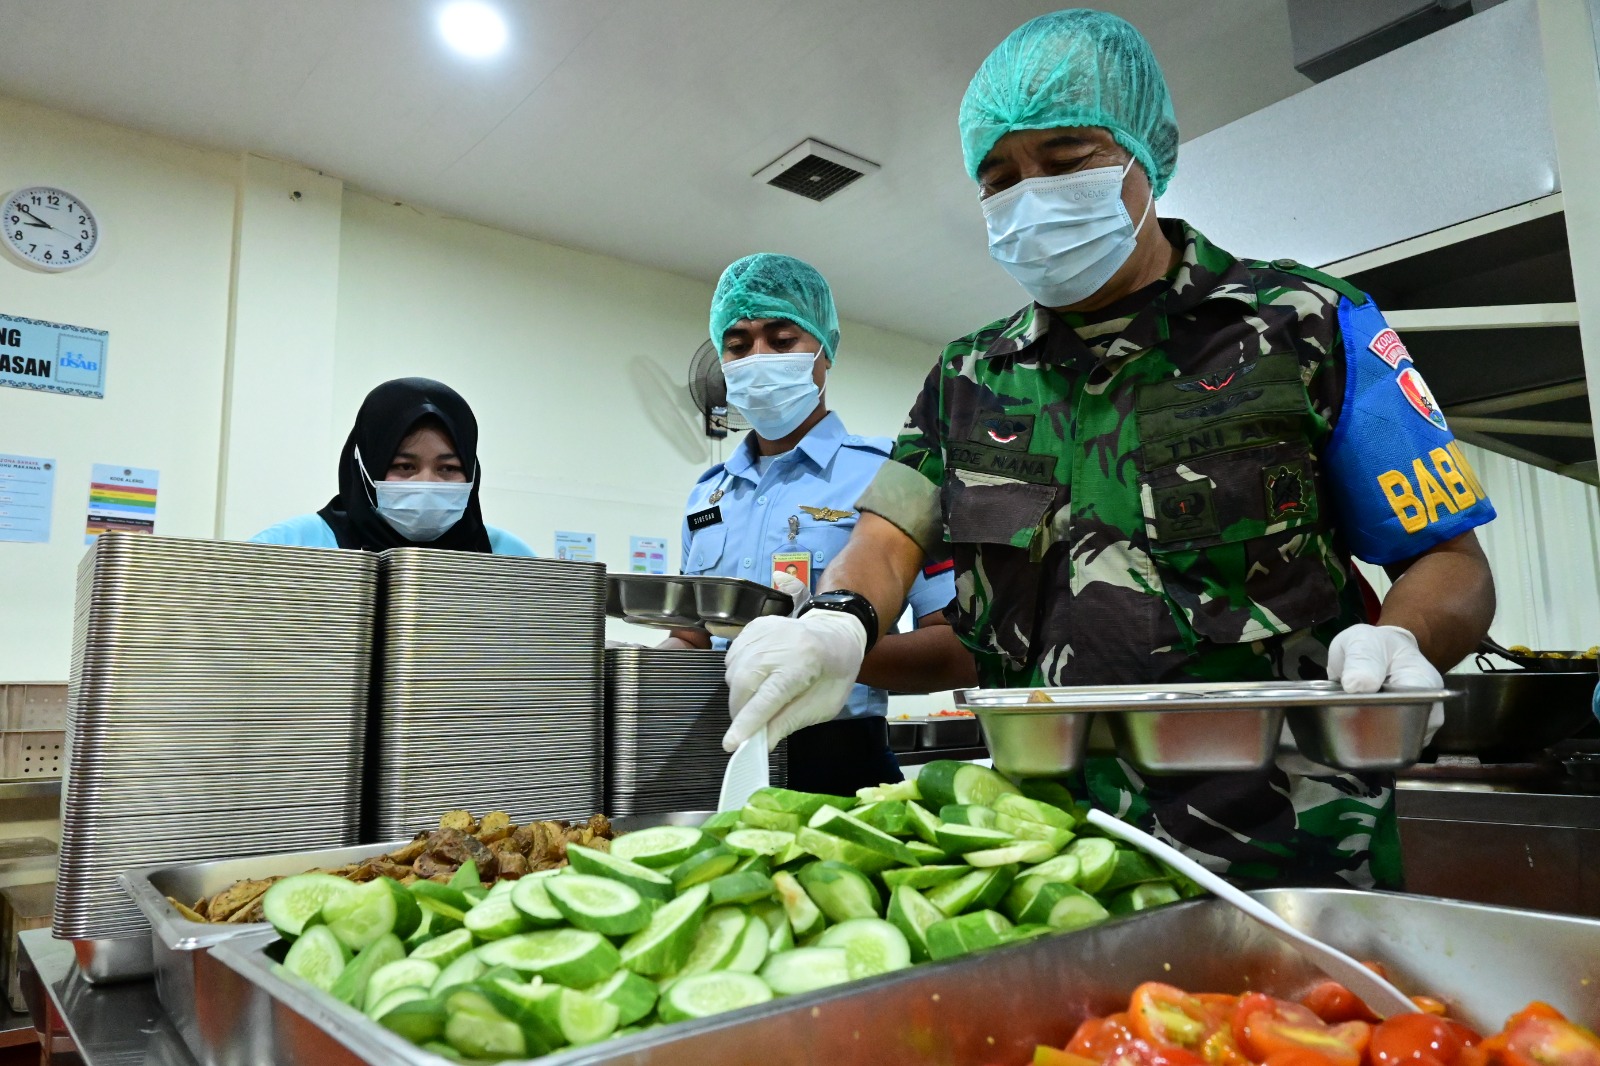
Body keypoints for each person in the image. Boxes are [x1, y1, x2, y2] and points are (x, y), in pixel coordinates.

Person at [723, 10, 1497, 888]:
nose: (1030, 194)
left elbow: (1453, 563)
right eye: (999, 177)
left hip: (1288, 850)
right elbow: (888, 536)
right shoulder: (969, 375)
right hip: (1041, 856)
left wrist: (1404, 639)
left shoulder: (1306, 325)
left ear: (1143, 158)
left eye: (1064, 160)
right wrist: (838, 622)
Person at [668, 253, 972, 795]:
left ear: (825, 352)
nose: (757, 357)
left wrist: (831, 651)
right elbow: (692, 637)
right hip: (716, 753)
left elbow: (956, 650)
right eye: (737, 346)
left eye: (782, 341)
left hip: (840, 754)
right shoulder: (706, 494)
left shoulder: (893, 474)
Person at [252, 376, 534, 555]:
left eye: (448, 469)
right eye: (404, 467)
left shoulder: (509, 558)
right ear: (364, 469)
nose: (428, 484)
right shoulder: (291, 546)